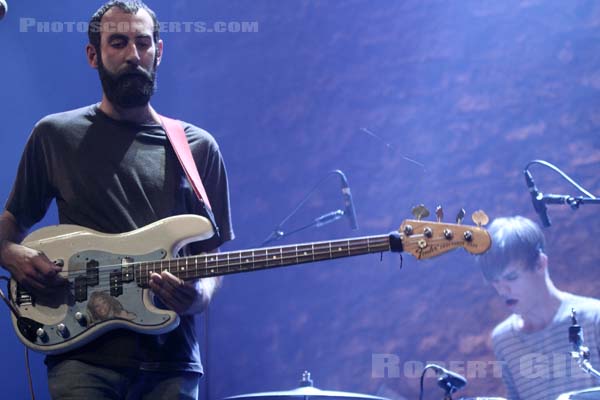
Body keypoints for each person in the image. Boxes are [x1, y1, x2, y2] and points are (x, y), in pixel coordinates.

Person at [0, 1, 234, 399]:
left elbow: (211, 255)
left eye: (143, 43)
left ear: (160, 51)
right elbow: (9, 228)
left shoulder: (197, 147)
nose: (133, 55)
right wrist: (10, 254)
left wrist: (198, 296)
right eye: (119, 42)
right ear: (94, 55)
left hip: (171, 362)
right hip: (81, 357)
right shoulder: (55, 135)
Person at [478, 216, 600, 400]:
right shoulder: (503, 339)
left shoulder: (593, 318)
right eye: (495, 282)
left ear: (540, 264)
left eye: (511, 277)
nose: (502, 290)